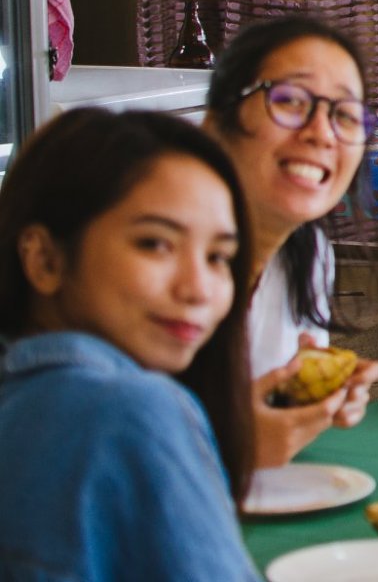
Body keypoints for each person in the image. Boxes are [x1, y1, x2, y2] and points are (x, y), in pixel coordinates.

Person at [0, 108, 258, 581]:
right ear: (44, 259)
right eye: (155, 244)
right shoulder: (132, 410)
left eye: (218, 256)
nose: (198, 289)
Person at [203, 13, 378, 467]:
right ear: (217, 122)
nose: (321, 133)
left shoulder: (308, 254)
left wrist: (311, 402)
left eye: (345, 115)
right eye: (290, 101)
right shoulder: (152, 265)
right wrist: (235, 444)